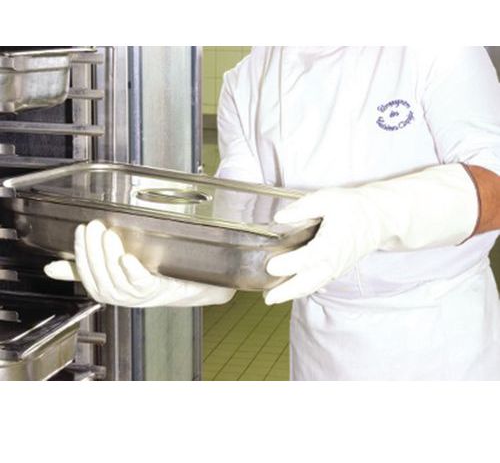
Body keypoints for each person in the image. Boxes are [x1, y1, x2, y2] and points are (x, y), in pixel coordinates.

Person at [45, 47, 500, 380]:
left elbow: (495, 182)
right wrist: (173, 275)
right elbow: (243, 230)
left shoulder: (437, 47)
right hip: (324, 348)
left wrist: (379, 215)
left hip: (444, 340)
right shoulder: (248, 80)